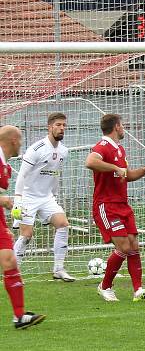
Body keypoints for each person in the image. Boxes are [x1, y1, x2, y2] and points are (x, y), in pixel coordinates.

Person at [85, 113, 145, 301]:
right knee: (124, 246)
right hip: (106, 205)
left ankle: (138, 290)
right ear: (117, 127)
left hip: (122, 204)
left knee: (134, 245)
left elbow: (127, 175)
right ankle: (105, 286)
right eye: (122, 125)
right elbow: (90, 162)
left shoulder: (120, 149)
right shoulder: (103, 146)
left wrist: (144, 170)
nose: (124, 128)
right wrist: (114, 168)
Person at [12, 113, 74, 281]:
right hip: (28, 197)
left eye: (64, 125)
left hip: (46, 198)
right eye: (58, 125)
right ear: (50, 127)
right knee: (26, 235)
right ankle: (13, 274)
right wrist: (18, 200)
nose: (62, 128)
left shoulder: (64, 151)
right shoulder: (36, 149)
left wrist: (53, 195)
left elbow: (55, 175)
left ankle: (58, 269)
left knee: (63, 224)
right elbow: (22, 176)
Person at [0, 125, 45, 328]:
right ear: (12, 140)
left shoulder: (5, 164)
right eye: (20, 139)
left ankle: (19, 316)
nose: (21, 144)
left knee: (9, 261)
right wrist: (5, 201)